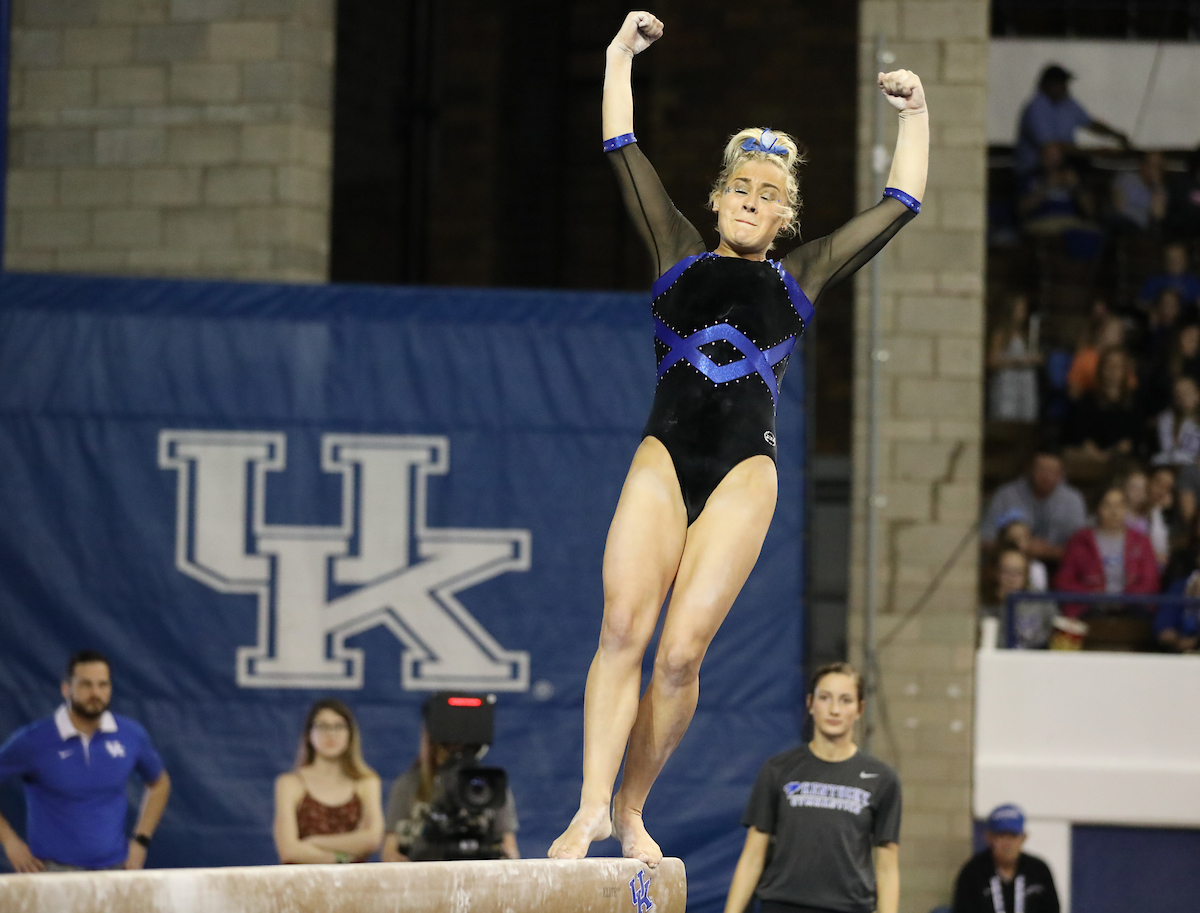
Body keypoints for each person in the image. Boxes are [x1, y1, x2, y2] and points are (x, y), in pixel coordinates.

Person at [549, 11, 928, 866]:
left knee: (679, 655)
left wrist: (914, 114)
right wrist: (617, 56)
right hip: (663, 454)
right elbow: (621, 146)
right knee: (621, 629)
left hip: (742, 474)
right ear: (718, 196)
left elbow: (901, 205)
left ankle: (634, 808)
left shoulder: (799, 280)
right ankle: (588, 811)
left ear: (784, 218)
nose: (753, 203)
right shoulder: (677, 250)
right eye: (741, 190)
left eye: (770, 197)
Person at [723, 663, 900, 913]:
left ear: (860, 708)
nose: (834, 709)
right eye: (825, 698)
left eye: (845, 700)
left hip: (849, 907)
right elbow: (753, 856)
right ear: (810, 703)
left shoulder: (882, 778)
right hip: (782, 905)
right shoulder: (778, 769)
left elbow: (887, 867)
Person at [0, 650, 170, 872]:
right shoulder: (33, 740)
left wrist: (141, 841)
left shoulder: (131, 735)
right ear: (66, 689)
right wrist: (10, 842)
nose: (95, 693)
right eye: (85, 685)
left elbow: (159, 783)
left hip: (117, 870)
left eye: (103, 685)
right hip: (52, 873)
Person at [382, 722, 519, 862]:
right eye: (448, 745)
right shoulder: (408, 786)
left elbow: (510, 854)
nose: (456, 748)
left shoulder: (490, 787)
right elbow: (390, 855)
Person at [273, 699, 383, 864]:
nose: (331, 734)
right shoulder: (290, 783)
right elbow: (288, 850)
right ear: (309, 734)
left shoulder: (366, 782)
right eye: (322, 726)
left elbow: (373, 839)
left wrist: (314, 842)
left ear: (350, 734)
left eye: (338, 727)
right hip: (302, 884)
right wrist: (339, 858)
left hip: (352, 885)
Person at [1054, 486, 1160, 618]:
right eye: (1108, 505)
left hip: (1131, 605)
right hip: (1089, 606)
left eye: (1119, 505)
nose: (1114, 512)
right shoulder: (1079, 541)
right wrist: (1092, 595)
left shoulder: (1141, 541)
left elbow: (1150, 582)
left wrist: (1124, 598)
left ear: (1126, 509)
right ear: (1099, 509)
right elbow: (1064, 582)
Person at [1014, 64, 1129, 178]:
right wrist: (1096, 152)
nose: (1065, 87)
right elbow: (1050, 147)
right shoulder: (1037, 107)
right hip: (1035, 170)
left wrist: (1116, 135)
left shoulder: (1067, 103)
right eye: (1060, 83)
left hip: (1065, 163)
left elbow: (1090, 123)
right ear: (1048, 84)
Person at [982, 451, 1087, 565]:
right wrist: (1017, 547)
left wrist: (1049, 551)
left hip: (1059, 568)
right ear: (1029, 470)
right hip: (1012, 564)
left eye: (1052, 471)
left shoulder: (1073, 499)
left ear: (1061, 475)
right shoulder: (1006, 495)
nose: (1046, 476)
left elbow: (1082, 549)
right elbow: (985, 541)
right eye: (1041, 469)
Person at [952, 804, 1060, 913]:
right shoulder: (972, 873)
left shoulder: (1039, 871)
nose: (1007, 844)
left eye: (1013, 836)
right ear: (989, 837)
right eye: (1001, 836)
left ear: (1023, 838)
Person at [1062, 347, 1143, 466]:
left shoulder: (1134, 400)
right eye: (1109, 365)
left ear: (1126, 370)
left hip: (1122, 459)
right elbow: (1078, 430)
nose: (1113, 370)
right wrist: (1091, 449)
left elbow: (1137, 434)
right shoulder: (1088, 398)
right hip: (1091, 457)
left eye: (1118, 366)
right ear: (1101, 369)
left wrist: (1122, 448)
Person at [987, 294, 1041, 422]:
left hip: (1024, 386)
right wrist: (1018, 361)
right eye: (1020, 309)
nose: (1023, 313)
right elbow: (992, 361)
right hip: (1007, 386)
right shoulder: (1001, 334)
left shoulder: (1025, 335)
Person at [1110, 150, 1167, 233]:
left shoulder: (1159, 189)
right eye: (1152, 165)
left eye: (1158, 166)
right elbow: (1118, 206)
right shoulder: (1126, 178)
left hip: (1141, 230)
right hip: (1122, 223)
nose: (1154, 169)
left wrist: (1156, 183)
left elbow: (1158, 215)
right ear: (1143, 165)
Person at [1151, 375, 1200, 467]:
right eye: (1179, 393)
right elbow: (1167, 448)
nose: (1183, 397)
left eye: (1187, 392)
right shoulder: (1167, 418)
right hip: (1175, 465)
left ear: (1197, 394)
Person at [1137, 242, 1200, 312]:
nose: (1174, 262)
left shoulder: (1193, 282)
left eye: (1178, 258)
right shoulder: (1154, 281)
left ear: (1185, 260)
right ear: (1165, 260)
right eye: (1170, 258)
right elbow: (1141, 304)